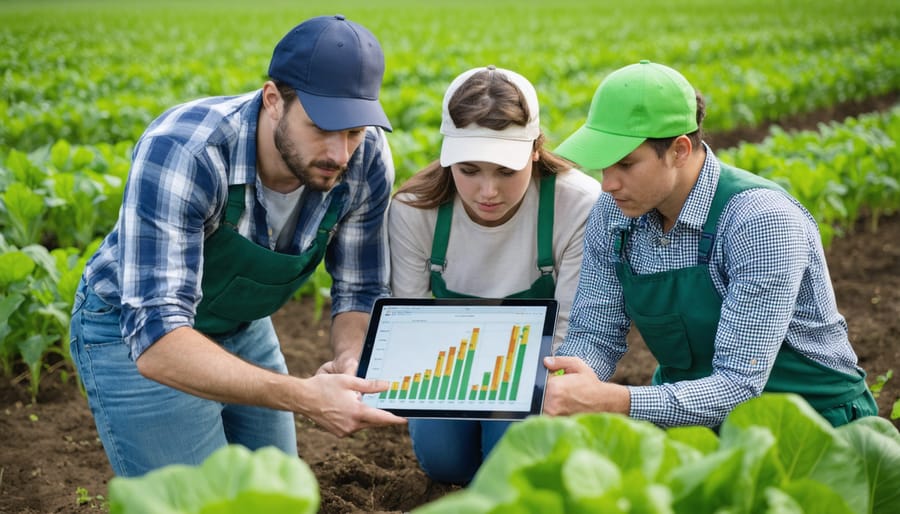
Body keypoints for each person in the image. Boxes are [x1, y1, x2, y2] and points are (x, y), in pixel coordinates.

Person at [68, 14, 406, 477]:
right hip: (131, 330)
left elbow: (359, 288)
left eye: (354, 130)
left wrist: (350, 358)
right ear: (273, 100)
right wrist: (305, 396)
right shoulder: (187, 151)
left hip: (240, 324)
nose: (339, 153)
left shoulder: (365, 160)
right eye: (322, 127)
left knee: (278, 497)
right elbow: (158, 336)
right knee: (204, 501)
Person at [543, 60, 878, 429]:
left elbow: (740, 384)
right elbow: (595, 332)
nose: (607, 184)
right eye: (604, 166)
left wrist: (617, 400)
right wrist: (567, 383)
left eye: (625, 164)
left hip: (812, 422)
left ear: (679, 150)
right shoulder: (614, 213)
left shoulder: (760, 221)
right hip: (690, 422)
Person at [389, 65, 602, 484]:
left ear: (535, 151)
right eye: (469, 171)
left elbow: (570, 326)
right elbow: (409, 322)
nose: (488, 192)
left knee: (513, 463)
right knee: (444, 463)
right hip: (447, 368)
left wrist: (518, 399)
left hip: (537, 365)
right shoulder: (414, 210)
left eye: (506, 171)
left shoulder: (577, 204)